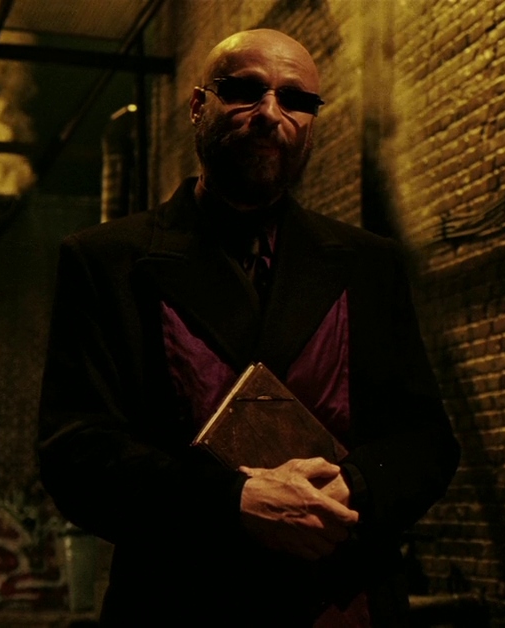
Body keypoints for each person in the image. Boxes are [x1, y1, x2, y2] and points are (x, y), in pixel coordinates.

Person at [37, 29, 460, 627]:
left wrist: (353, 488)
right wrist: (233, 501)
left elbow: (426, 440)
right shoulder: (106, 261)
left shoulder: (369, 264)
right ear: (197, 105)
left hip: (343, 603)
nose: (270, 113)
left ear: (312, 123)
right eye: (244, 91)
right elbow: (76, 452)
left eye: (295, 99)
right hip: (180, 602)